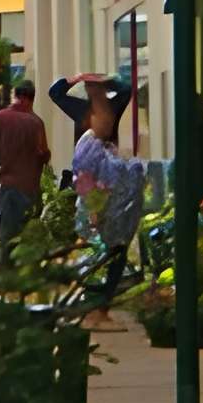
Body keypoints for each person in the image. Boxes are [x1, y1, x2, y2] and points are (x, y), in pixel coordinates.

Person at [52, 75, 142, 300]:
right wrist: (78, 78)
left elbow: (127, 89)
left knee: (111, 244)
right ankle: (94, 293)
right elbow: (55, 93)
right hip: (93, 179)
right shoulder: (82, 112)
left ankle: (101, 292)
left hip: (107, 180)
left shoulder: (113, 105)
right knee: (100, 243)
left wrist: (105, 80)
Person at [0, 78, 50, 250]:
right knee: (28, 237)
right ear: (30, 99)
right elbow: (43, 155)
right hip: (30, 187)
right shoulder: (35, 122)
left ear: (15, 96)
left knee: (7, 233)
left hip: (8, 185)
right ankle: (24, 271)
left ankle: (6, 269)